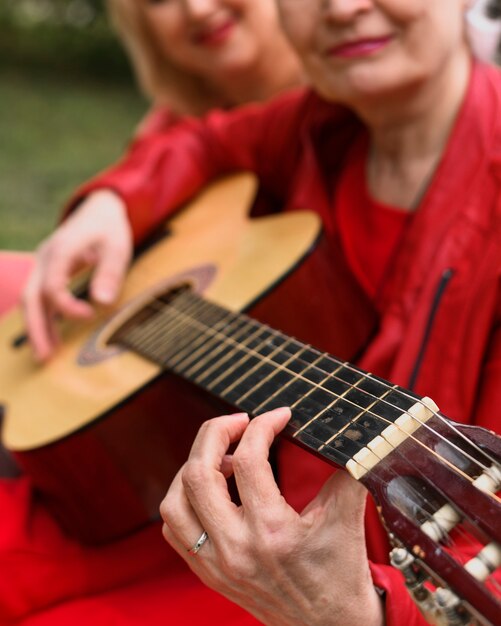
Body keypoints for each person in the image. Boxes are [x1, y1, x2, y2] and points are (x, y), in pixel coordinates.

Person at [32, 0, 501, 624]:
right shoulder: (319, 123)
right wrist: (113, 203)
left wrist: (361, 609)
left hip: (351, 575)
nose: (342, 8)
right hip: (240, 506)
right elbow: (202, 140)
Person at [0, 2, 305, 625]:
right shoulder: (175, 121)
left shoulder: (331, 117)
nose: (195, 7)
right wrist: (110, 200)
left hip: (242, 454)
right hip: (142, 390)